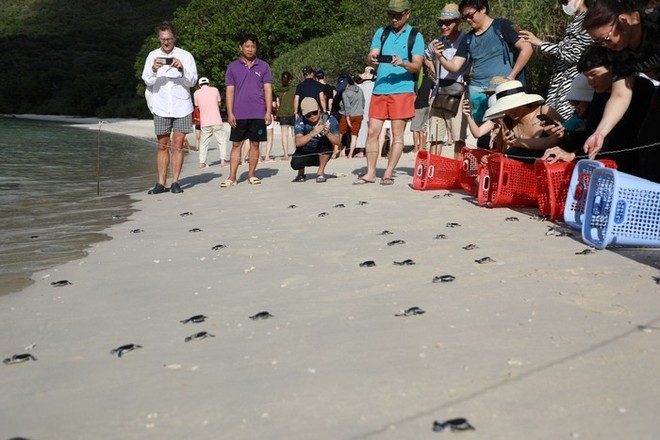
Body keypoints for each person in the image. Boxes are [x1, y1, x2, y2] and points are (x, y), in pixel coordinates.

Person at [541, 44, 655, 176]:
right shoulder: (599, 96)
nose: (591, 82)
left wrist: (575, 155)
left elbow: (621, 137)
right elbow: (592, 133)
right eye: (587, 76)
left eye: (594, 74)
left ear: (611, 68)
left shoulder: (642, 88)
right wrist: (565, 135)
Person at [581, 0, 660, 182]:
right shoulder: (616, 50)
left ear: (623, 21)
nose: (605, 46)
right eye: (598, 42)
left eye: (606, 39)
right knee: (649, 136)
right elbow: (620, 94)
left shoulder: (654, 21)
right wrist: (600, 133)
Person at [354, 0, 425, 186]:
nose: (393, 18)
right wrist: (372, 59)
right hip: (380, 88)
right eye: (391, 15)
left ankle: (388, 172)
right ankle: (370, 173)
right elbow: (371, 57)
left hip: (402, 90)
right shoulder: (381, 32)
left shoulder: (415, 36)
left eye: (398, 15)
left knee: (397, 134)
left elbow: (417, 66)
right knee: (372, 132)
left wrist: (402, 63)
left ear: (407, 14)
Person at [435, 0, 533, 123]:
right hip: (477, 92)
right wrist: (439, 57)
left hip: (501, 89)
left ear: (483, 9)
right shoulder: (468, 38)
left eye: (470, 15)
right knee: (483, 134)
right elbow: (455, 66)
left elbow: (527, 48)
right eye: (465, 17)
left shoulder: (502, 26)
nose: (468, 20)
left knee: (506, 129)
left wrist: (512, 76)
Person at [141, 21, 198, 195]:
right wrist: (153, 69)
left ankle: (175, 182)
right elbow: (147, 80)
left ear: (174, 38)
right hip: (160, 106)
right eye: (163, 39)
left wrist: (181, 69)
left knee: (178, 144)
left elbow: (192, 81)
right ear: (159, 38)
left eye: (169, 39)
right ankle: (160, 183)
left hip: (182, 106)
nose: (166, 42)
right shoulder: (152, 55)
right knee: (162, 145)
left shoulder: (185, 55)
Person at [518, 0, 593, 120]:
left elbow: (573, 53)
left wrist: (541, 43)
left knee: (566, 124)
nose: (565, 3)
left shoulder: (589, 19)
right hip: (561, 84)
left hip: (573, 83)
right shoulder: (577, 20)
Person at [463, 80, 562, 162]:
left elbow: (560, 140)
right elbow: (503, 153)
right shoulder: (508, 121)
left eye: (512, 106)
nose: (510, 112)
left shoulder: (544, 111)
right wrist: (491, 159)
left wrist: (517, 142)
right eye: (505, 108)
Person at [223, 33, 273, 187]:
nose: (250, 49)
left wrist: (268, 111)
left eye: (253, 46)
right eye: (247, 46)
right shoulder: (233, 67)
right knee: (236, 144)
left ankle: (251, 174)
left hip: (258, 113)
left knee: (255, 144)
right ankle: (232, 177)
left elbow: (268, 90)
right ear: (241, 47)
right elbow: (229, 91)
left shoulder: (263, 66)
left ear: (256, 48)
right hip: (239, 113)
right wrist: (230, 112)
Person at [425, 3, 470, 157]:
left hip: (459, 91)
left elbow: (456, 67)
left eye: (447, 22)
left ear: (457, 22)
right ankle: (434, 171)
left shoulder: (466, 40)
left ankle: (458, 173)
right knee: (435, 136)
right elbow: (426, 57)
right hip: (439, 91)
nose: (443, 26)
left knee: (458, 137)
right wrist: (435, 72)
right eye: (440, 23)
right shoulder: (436, 42)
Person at [291, 97, 340, 183]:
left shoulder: (330, 119)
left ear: (319, 109)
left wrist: (328, 133)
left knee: (326, 145)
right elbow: (298, 142)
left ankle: (320, 172)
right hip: (306, 150)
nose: (312, 116)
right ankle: (301, 172)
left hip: (322, 150)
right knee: (295, 163)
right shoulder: (300, 121)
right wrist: (313, 133)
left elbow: (337, 141)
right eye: (308, 115)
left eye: (314, 112)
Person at [193, 77, 228, 169]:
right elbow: (219, 103)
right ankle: (223, 161)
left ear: (199, 85)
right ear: (209, 83)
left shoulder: (196, 93)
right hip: (216, 120)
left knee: (204, 143)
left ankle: (202, 162)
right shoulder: (215, 90)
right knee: (222, 141)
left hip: (205, 122)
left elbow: (197, 106)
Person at [338, 76, 366, 158]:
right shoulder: (360, 89)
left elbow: (347, 106)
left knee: (340, 133)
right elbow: (363, 101)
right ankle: (350, 154)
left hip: (348, 115)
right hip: (359, 114)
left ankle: (336, 151)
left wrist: (347, 117)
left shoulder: (345, 93)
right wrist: (360, 110)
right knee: (354, 135)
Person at [410, 70, 434, 153]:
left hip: (417, 106)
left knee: (415, 128)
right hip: (426, 105)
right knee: (423, 127)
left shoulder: (415, 82)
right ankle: (422, 146)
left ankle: (416, 148)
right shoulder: (429, 80)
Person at [277, 71, 296, 161]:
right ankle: (296, 153)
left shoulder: (279, 90)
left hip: (283, 113)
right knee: (294, 135)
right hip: (292, 113)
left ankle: (285, 154)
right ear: (290, 79)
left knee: (284, 135)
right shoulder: (294, 89)